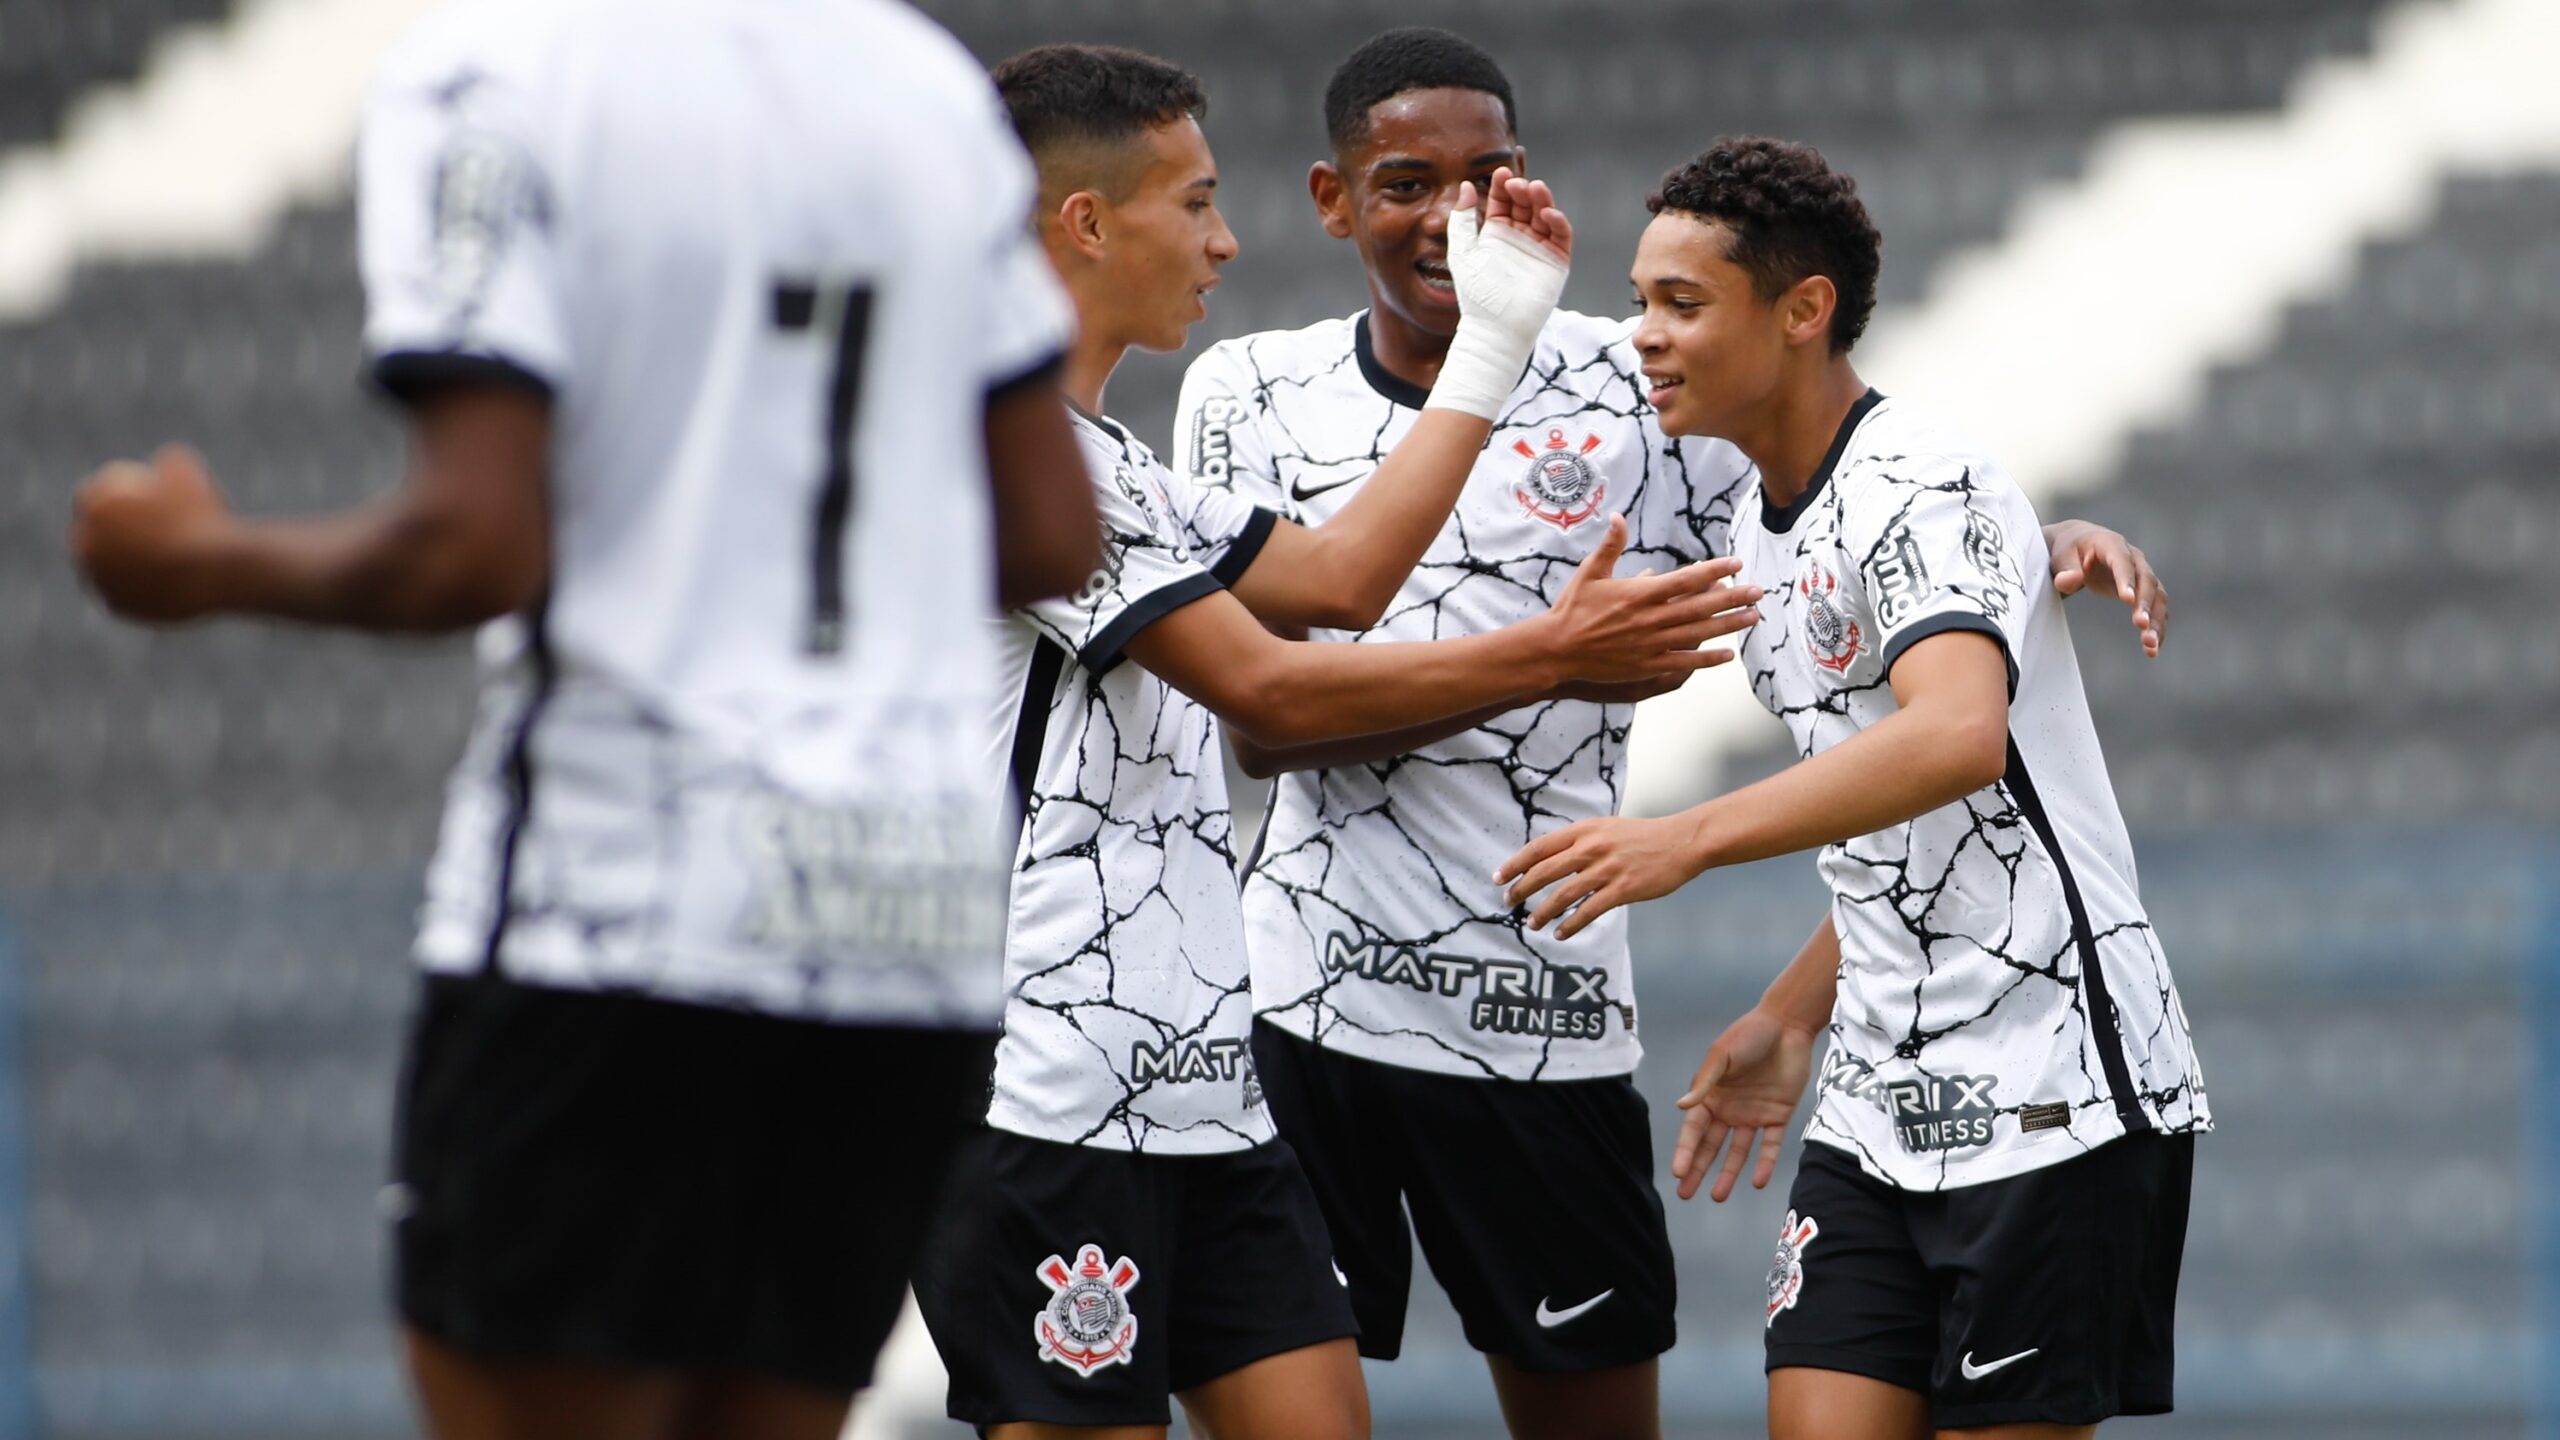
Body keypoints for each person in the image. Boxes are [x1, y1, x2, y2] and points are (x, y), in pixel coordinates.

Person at [65, 2, 1100, 1436]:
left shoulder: (503, 70)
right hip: (897, 920)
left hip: (625, 908)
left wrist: (195, 564)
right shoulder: (922, 89)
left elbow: (474, 545)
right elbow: (1052, 528)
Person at [1172, 27, 2172, 1440]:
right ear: (1335, 201)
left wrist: (2011, 543)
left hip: (1550, 1020)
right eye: (1408, 182)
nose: (1455, 214)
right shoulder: (1248, 392)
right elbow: (1262, 720)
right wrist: (1555, 661)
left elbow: (1851, 520)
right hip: (1309, 1009)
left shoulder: (1646, 382)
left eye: (1492, 176)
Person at [910, 44, 1761, 1440]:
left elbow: (1343, 582)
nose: (1223, 240)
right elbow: (1275, 699)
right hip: (1038, 1089)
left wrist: (1490, 345)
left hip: (1206, 1091)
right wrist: (1557, 651)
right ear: (1084, 224)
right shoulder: (1007, 454)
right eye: (1194, 204)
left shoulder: (1113, 458)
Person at [1498, 136, 2209, 1440]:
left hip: (2052, 1098)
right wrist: (1788, 1015)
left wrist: (1688, 840)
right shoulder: (1763, 514)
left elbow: (1955, 744)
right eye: (1642, 300)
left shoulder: (1919, 481)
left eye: (1682, 304)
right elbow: (1909, 819)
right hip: (1877, 1110)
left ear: (1803, 309)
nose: (1644, 335)